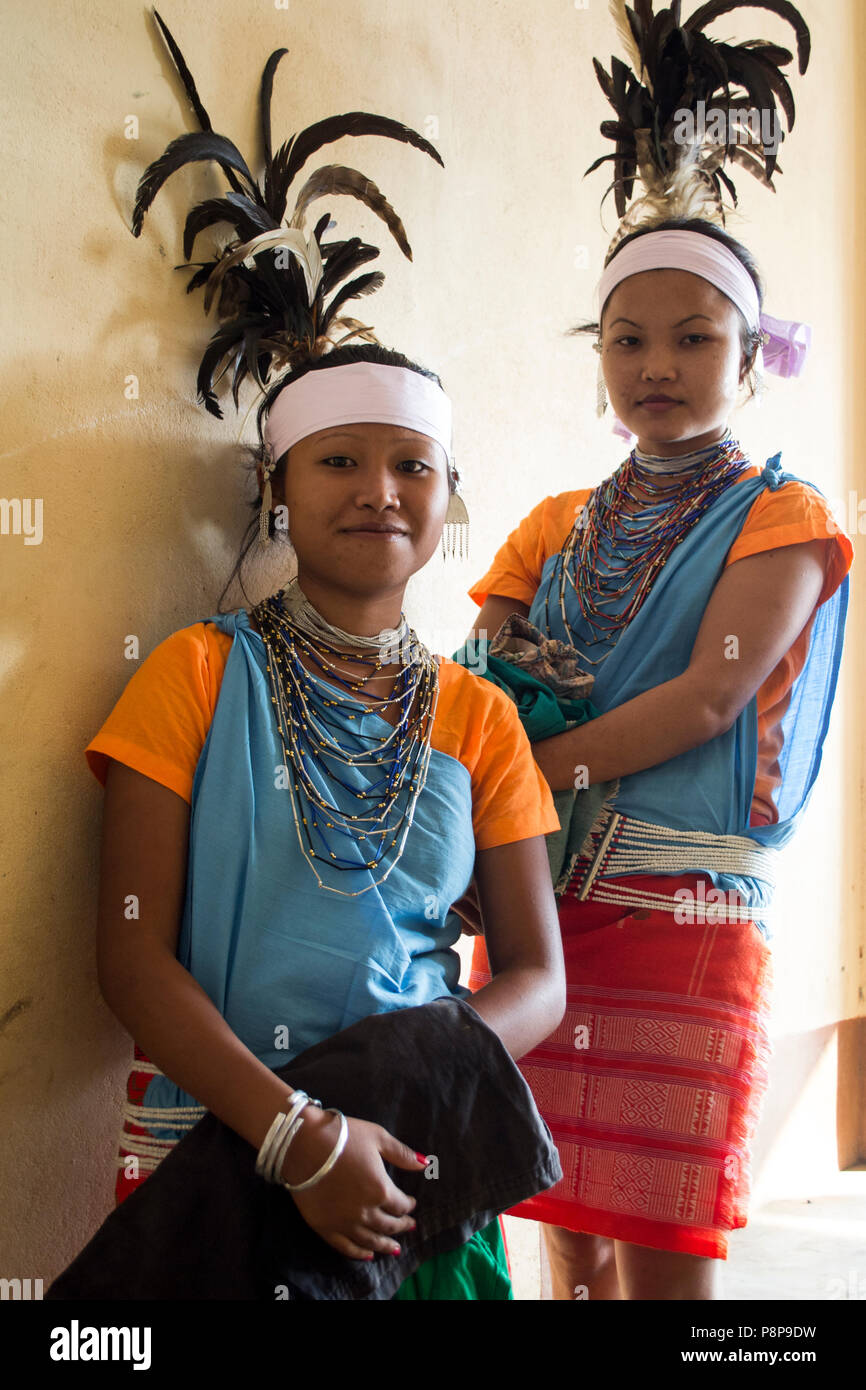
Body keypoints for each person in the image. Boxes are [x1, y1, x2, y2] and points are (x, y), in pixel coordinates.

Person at [82, 17, 565, 1301]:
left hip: (413, 1157)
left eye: (411, 466)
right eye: (337, 461)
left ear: (445, 497)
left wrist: (407, 1068)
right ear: (277, 488)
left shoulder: (478, 718)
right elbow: (132, 956)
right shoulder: (190, 674)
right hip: (215, 1148)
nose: (377, 491)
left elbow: (536, 977)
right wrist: (295, 1131)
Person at [465, 3, 852, 1300]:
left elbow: (707, 698)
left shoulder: (784, 519)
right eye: (629, 338)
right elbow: (478, 681)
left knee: (660, 1237)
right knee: (547, 1221)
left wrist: (535, 777)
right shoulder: (550, 526)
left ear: (752, 350)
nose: (658, 365)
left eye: (694, 336)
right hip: (535, 915)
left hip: (677, 916)